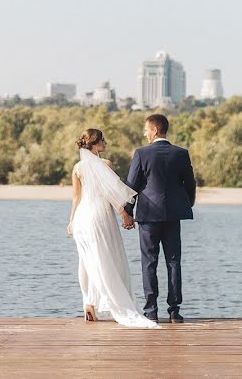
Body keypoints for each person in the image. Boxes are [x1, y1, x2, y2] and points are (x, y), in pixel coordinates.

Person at [67, 129, 160, 329]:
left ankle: (88, 303)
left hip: (82, 218)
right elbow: (111, 193)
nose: (105, 143)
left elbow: (76, 197)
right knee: (106, 259)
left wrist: (71, 220)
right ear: (95, 144)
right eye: (102, 140)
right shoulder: (105, 164)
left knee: (87, 261)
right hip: (100, 217)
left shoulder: (77, 168)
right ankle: (113, 302)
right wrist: (125, 214)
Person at [124, 114, 196, 323]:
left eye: (146, 130)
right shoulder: (181, 154)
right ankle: (174, 311)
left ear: (155, 130)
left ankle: (151, 311)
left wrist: (128, 211)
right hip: (173, 214)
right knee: (174, 262)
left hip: (148, 215)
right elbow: (190, 183)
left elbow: (131, 186)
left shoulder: (141, 154)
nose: (144, 133)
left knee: (149, 262)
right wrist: (186, 204)